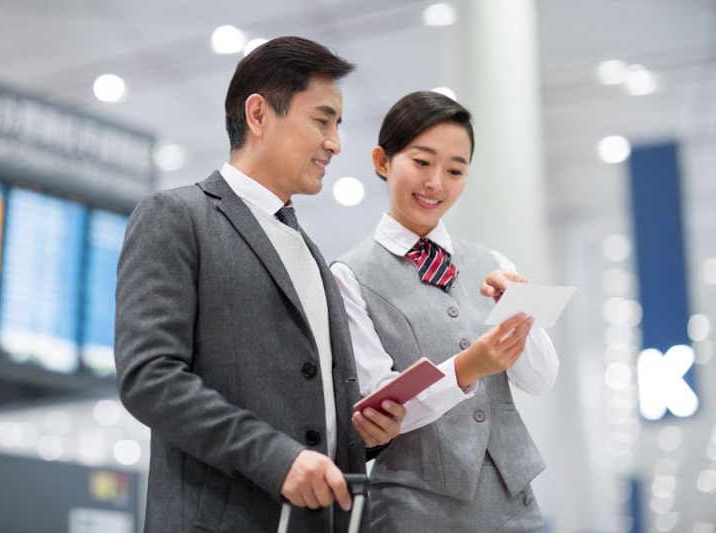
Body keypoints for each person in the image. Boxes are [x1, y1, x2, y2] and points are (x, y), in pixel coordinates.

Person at [114, 36, 405, 533]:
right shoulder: (177, 217)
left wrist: (369, 435)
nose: (335, 142)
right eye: (322, 119)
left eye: (338, 125)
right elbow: (150, 377)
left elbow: (313, 409)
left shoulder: (311, 253)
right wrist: (276, 458)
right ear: (258, 114)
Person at [330, 91, 559, 532]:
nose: (436, 182)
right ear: (382, 161)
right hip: (414, 511)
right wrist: (468, 367)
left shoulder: (494, 262)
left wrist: (520, 316)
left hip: (515, 507)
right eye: (421, 162)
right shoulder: (348, 276)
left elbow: (541, 378)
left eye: (455, 170)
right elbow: (382, 405)